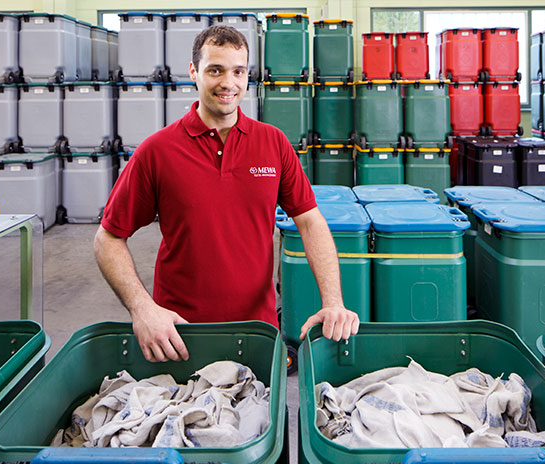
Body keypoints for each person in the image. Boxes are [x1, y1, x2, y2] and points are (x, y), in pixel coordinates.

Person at [94, 25, 359, 363]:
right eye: (215, 70)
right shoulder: (157, 151)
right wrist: (142, 308)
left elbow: (309, 221)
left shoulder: (273, 143)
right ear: (194, 72)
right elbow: (108, 238)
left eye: (238, 71)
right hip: (178, 335)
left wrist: (333, 301)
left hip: (256, 332)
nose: (228, 83)